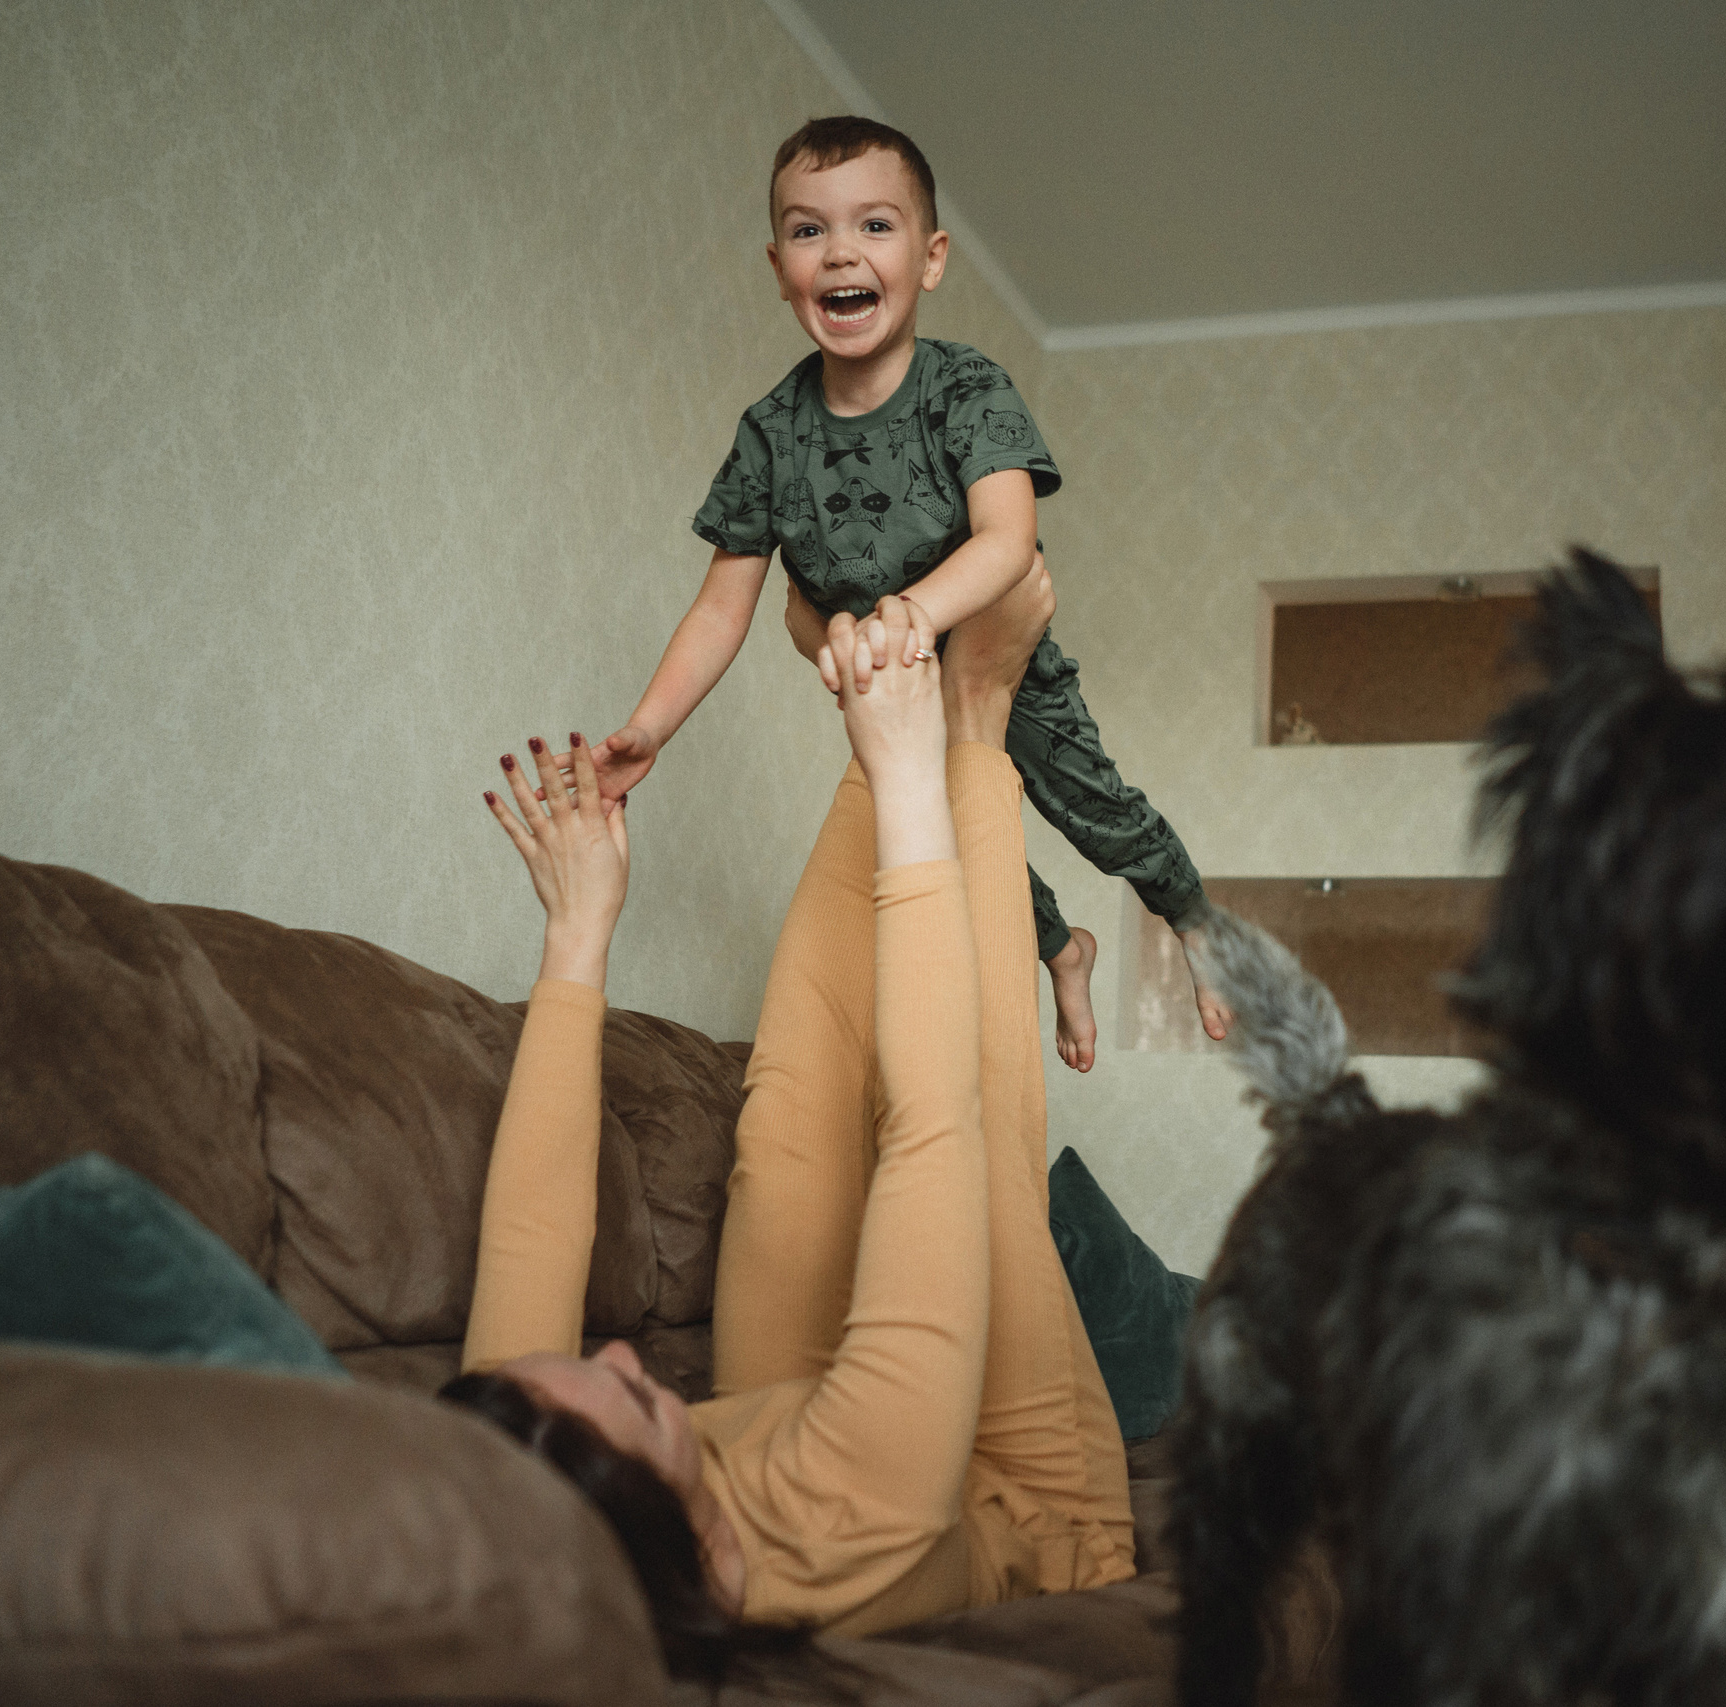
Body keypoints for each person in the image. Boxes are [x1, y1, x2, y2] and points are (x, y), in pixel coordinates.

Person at [440, 603, 1133, 1683]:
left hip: (793, 1428)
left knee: (781, 1128)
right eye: (629, 1395)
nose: (617, 1356)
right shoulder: (849, 1513)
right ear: (665, 1525)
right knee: (984, 1150)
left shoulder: (533, 1476)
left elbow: (531, 1230)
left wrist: (577, 930)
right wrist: (922, 779)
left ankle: (896, 663)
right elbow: (932, 1127)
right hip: (1026, 1501)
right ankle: (973, 708)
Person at [564, 113, 1229, 1074]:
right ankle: (1059, 947)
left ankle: (1192, 916)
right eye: (809, 230)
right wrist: (649, 728)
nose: (841, 250)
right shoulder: (768, 432)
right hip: (891, 685)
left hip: (1000, 661)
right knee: (951, 840)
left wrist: (917, 611)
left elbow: (1009, 539)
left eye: (875, 225)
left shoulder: (966, 389)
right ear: (779, 263)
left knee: (1090, 806)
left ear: (931, 258)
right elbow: (723, 605)